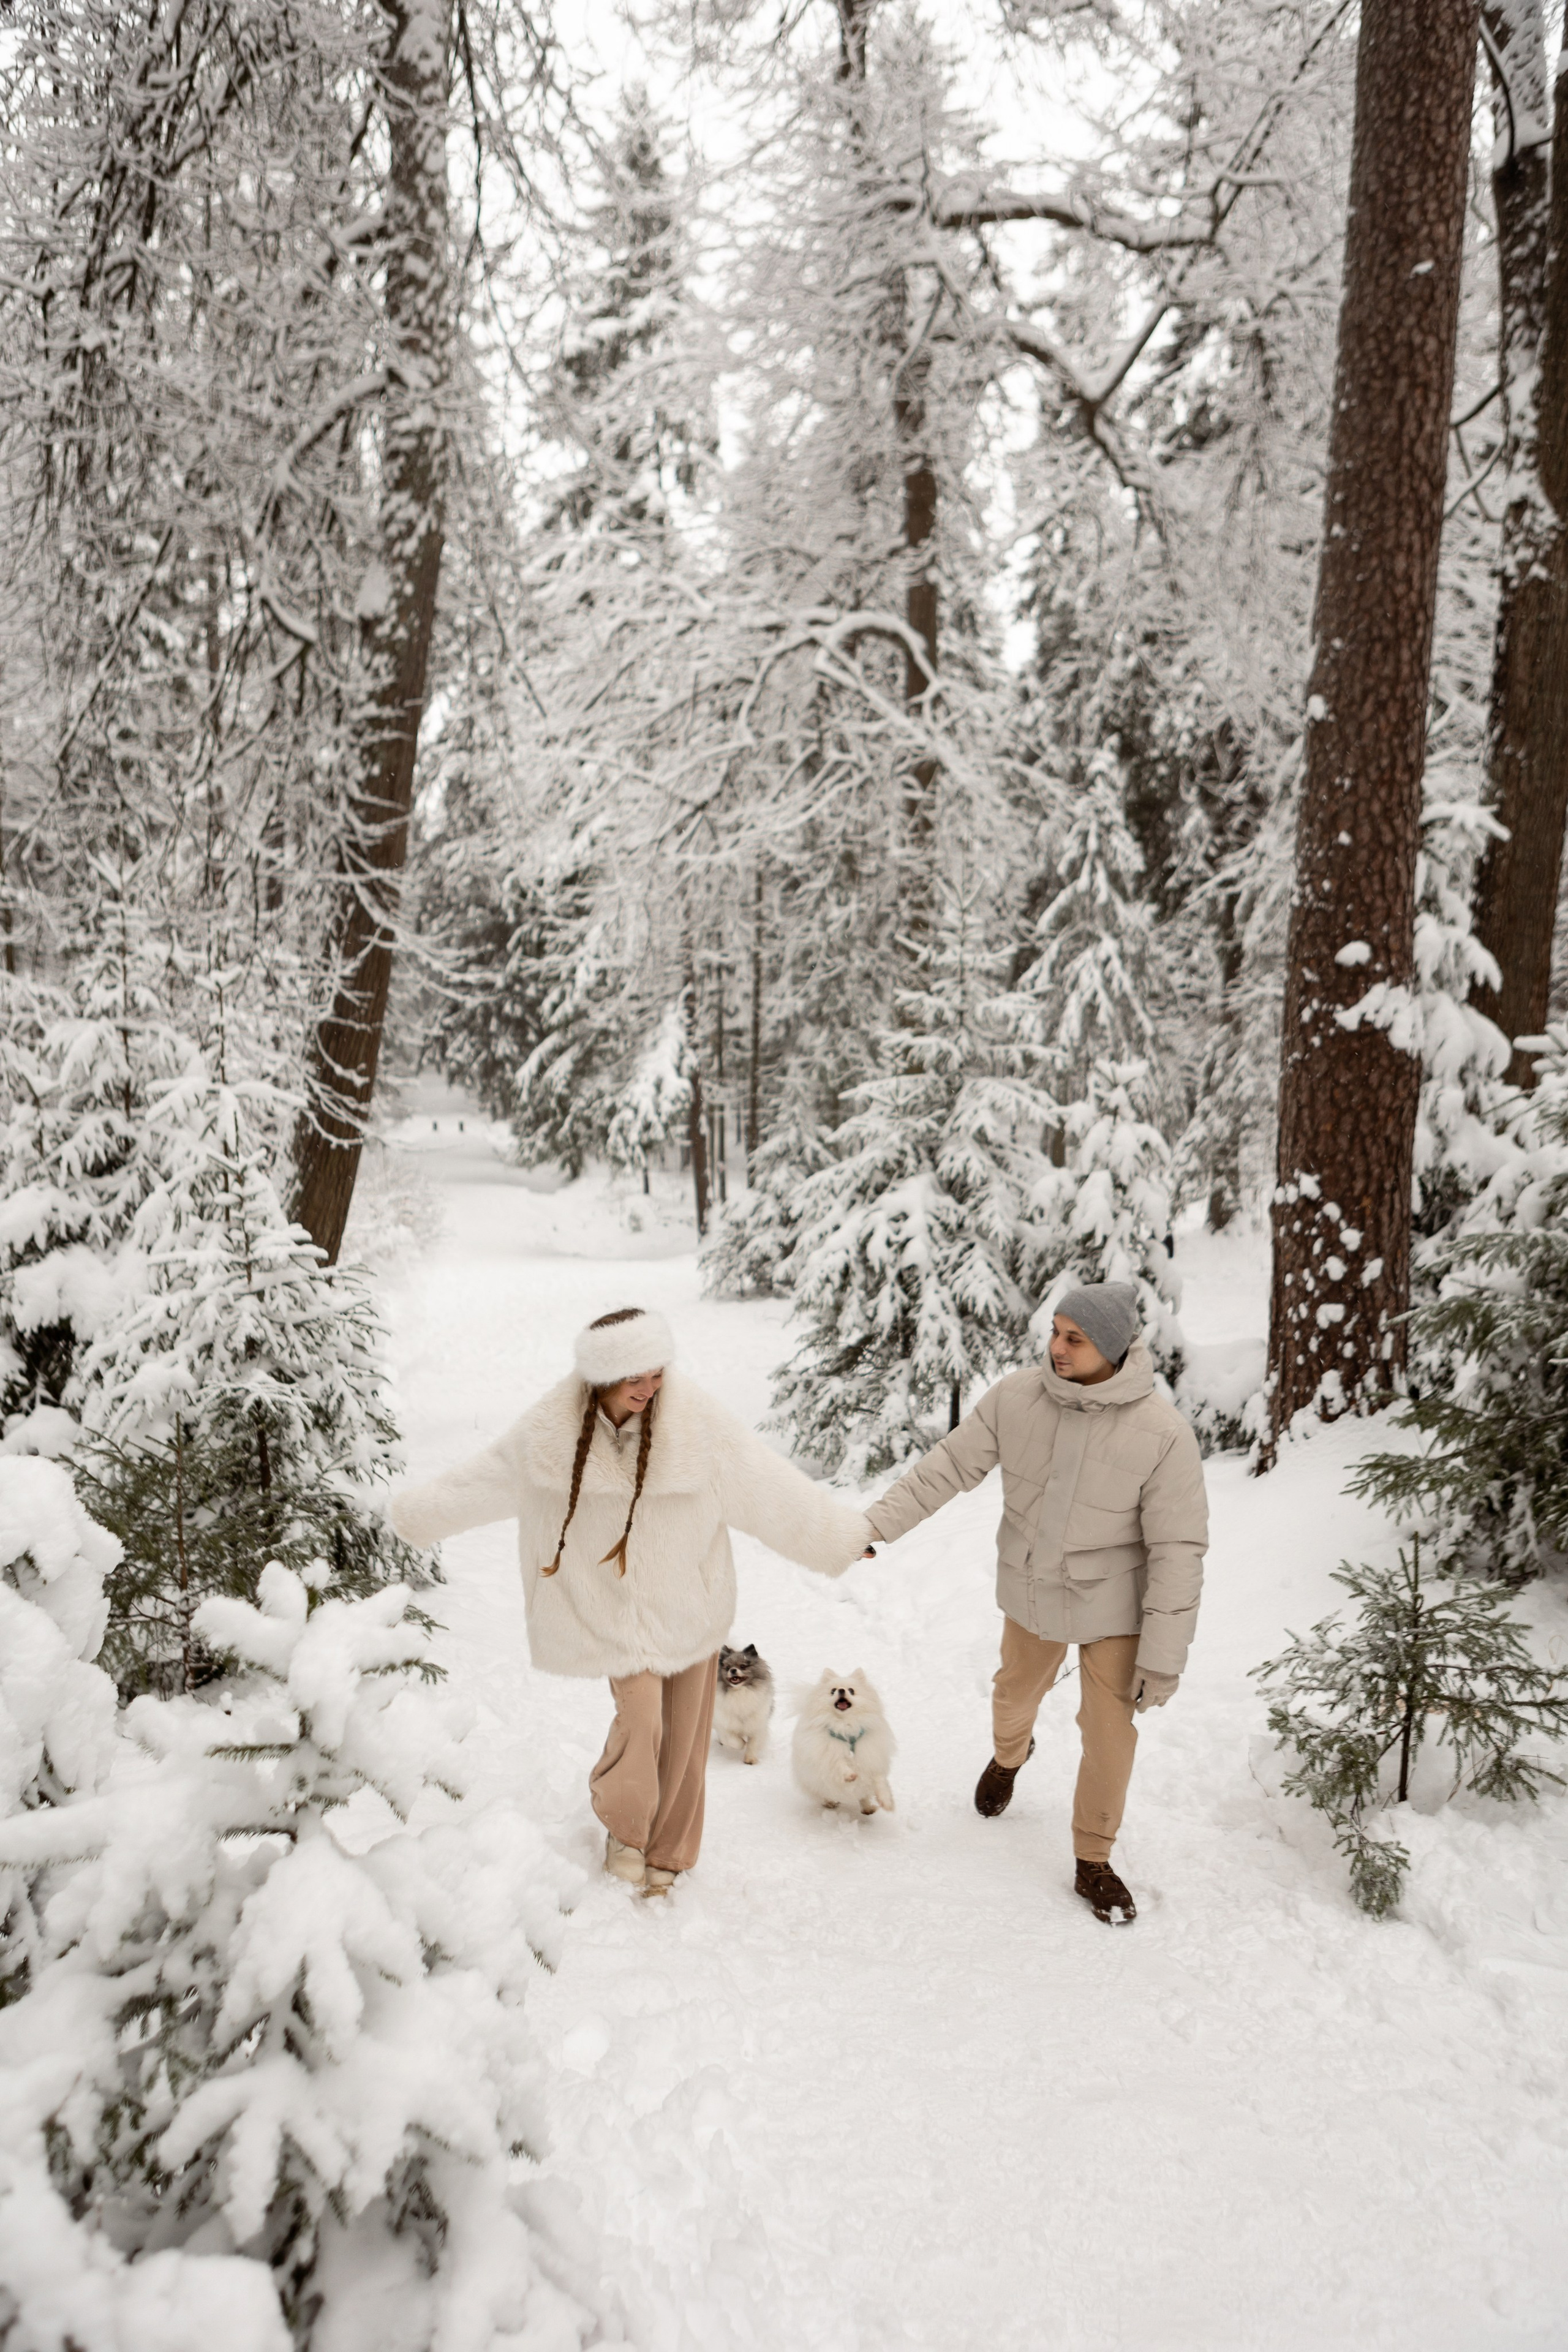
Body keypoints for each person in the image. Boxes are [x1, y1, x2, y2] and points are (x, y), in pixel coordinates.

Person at [388, 1306, 872, 1896]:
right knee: (643, 1720)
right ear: (600, 1378)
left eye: (656, 1373)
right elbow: (483, 1478)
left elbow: (765, 1483)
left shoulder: (697, 1424)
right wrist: (411, 1517)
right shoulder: (550, 1430)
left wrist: (840, 1538)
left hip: (689, 1609)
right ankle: (626, 1829)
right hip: (608, 1615)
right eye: (633, 1378)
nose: (649, 1389)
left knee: (687, 1732)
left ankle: (670, 1850)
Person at [861, 1281, 1207, 1924]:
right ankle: (1009, 1757)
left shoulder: (1160, 1433)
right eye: (1054, 1332)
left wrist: (1163, 1657)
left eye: (1073, 1338)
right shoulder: (1017, 1398)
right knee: (1012, 1696)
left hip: (1114, 1605)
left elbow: (1178, 1550)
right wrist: (873, 1525)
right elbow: (946, 1468)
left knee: (1109, 1736)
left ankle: (1093, 1859)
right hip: (1031, 1590)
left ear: (1110, 1346)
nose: (1056, 1348)